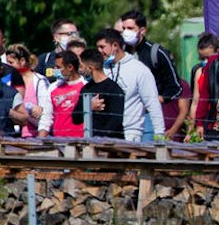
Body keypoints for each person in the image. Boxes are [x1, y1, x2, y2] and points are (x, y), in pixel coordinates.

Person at [118, 10, 187, 139]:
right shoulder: (119, 54)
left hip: (148, 117)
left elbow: (175, 86)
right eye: (123, 28)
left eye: (130, 28)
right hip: (125, 115)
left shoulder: (157, 53)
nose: (126, 32)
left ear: (142, 30)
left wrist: (159, 98)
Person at [97, 27, 165, 142]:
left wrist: (159, 134)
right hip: (104, 133)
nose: (99, 51)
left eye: (102, 47)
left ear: (115, 45)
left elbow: (152, 104)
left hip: (130, 134)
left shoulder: (139, 70)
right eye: (97, 47)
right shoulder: (100, 70)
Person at [74, 48, 122, 138]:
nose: (80, 69)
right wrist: (89, 107)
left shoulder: (113, 89)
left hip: (111, 143)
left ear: (90, 68)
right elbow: (75, 118)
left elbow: (116, 120)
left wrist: (101, 139)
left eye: (82, 66)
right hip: (90, 140)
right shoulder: (86, 89)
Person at [47, 51, 88, 137]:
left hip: (82, 140)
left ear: (70, 67)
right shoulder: (53, 88)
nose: (55, 70)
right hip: (59, 140)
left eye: (58, 67)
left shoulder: (86, 87)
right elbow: (47, 117)